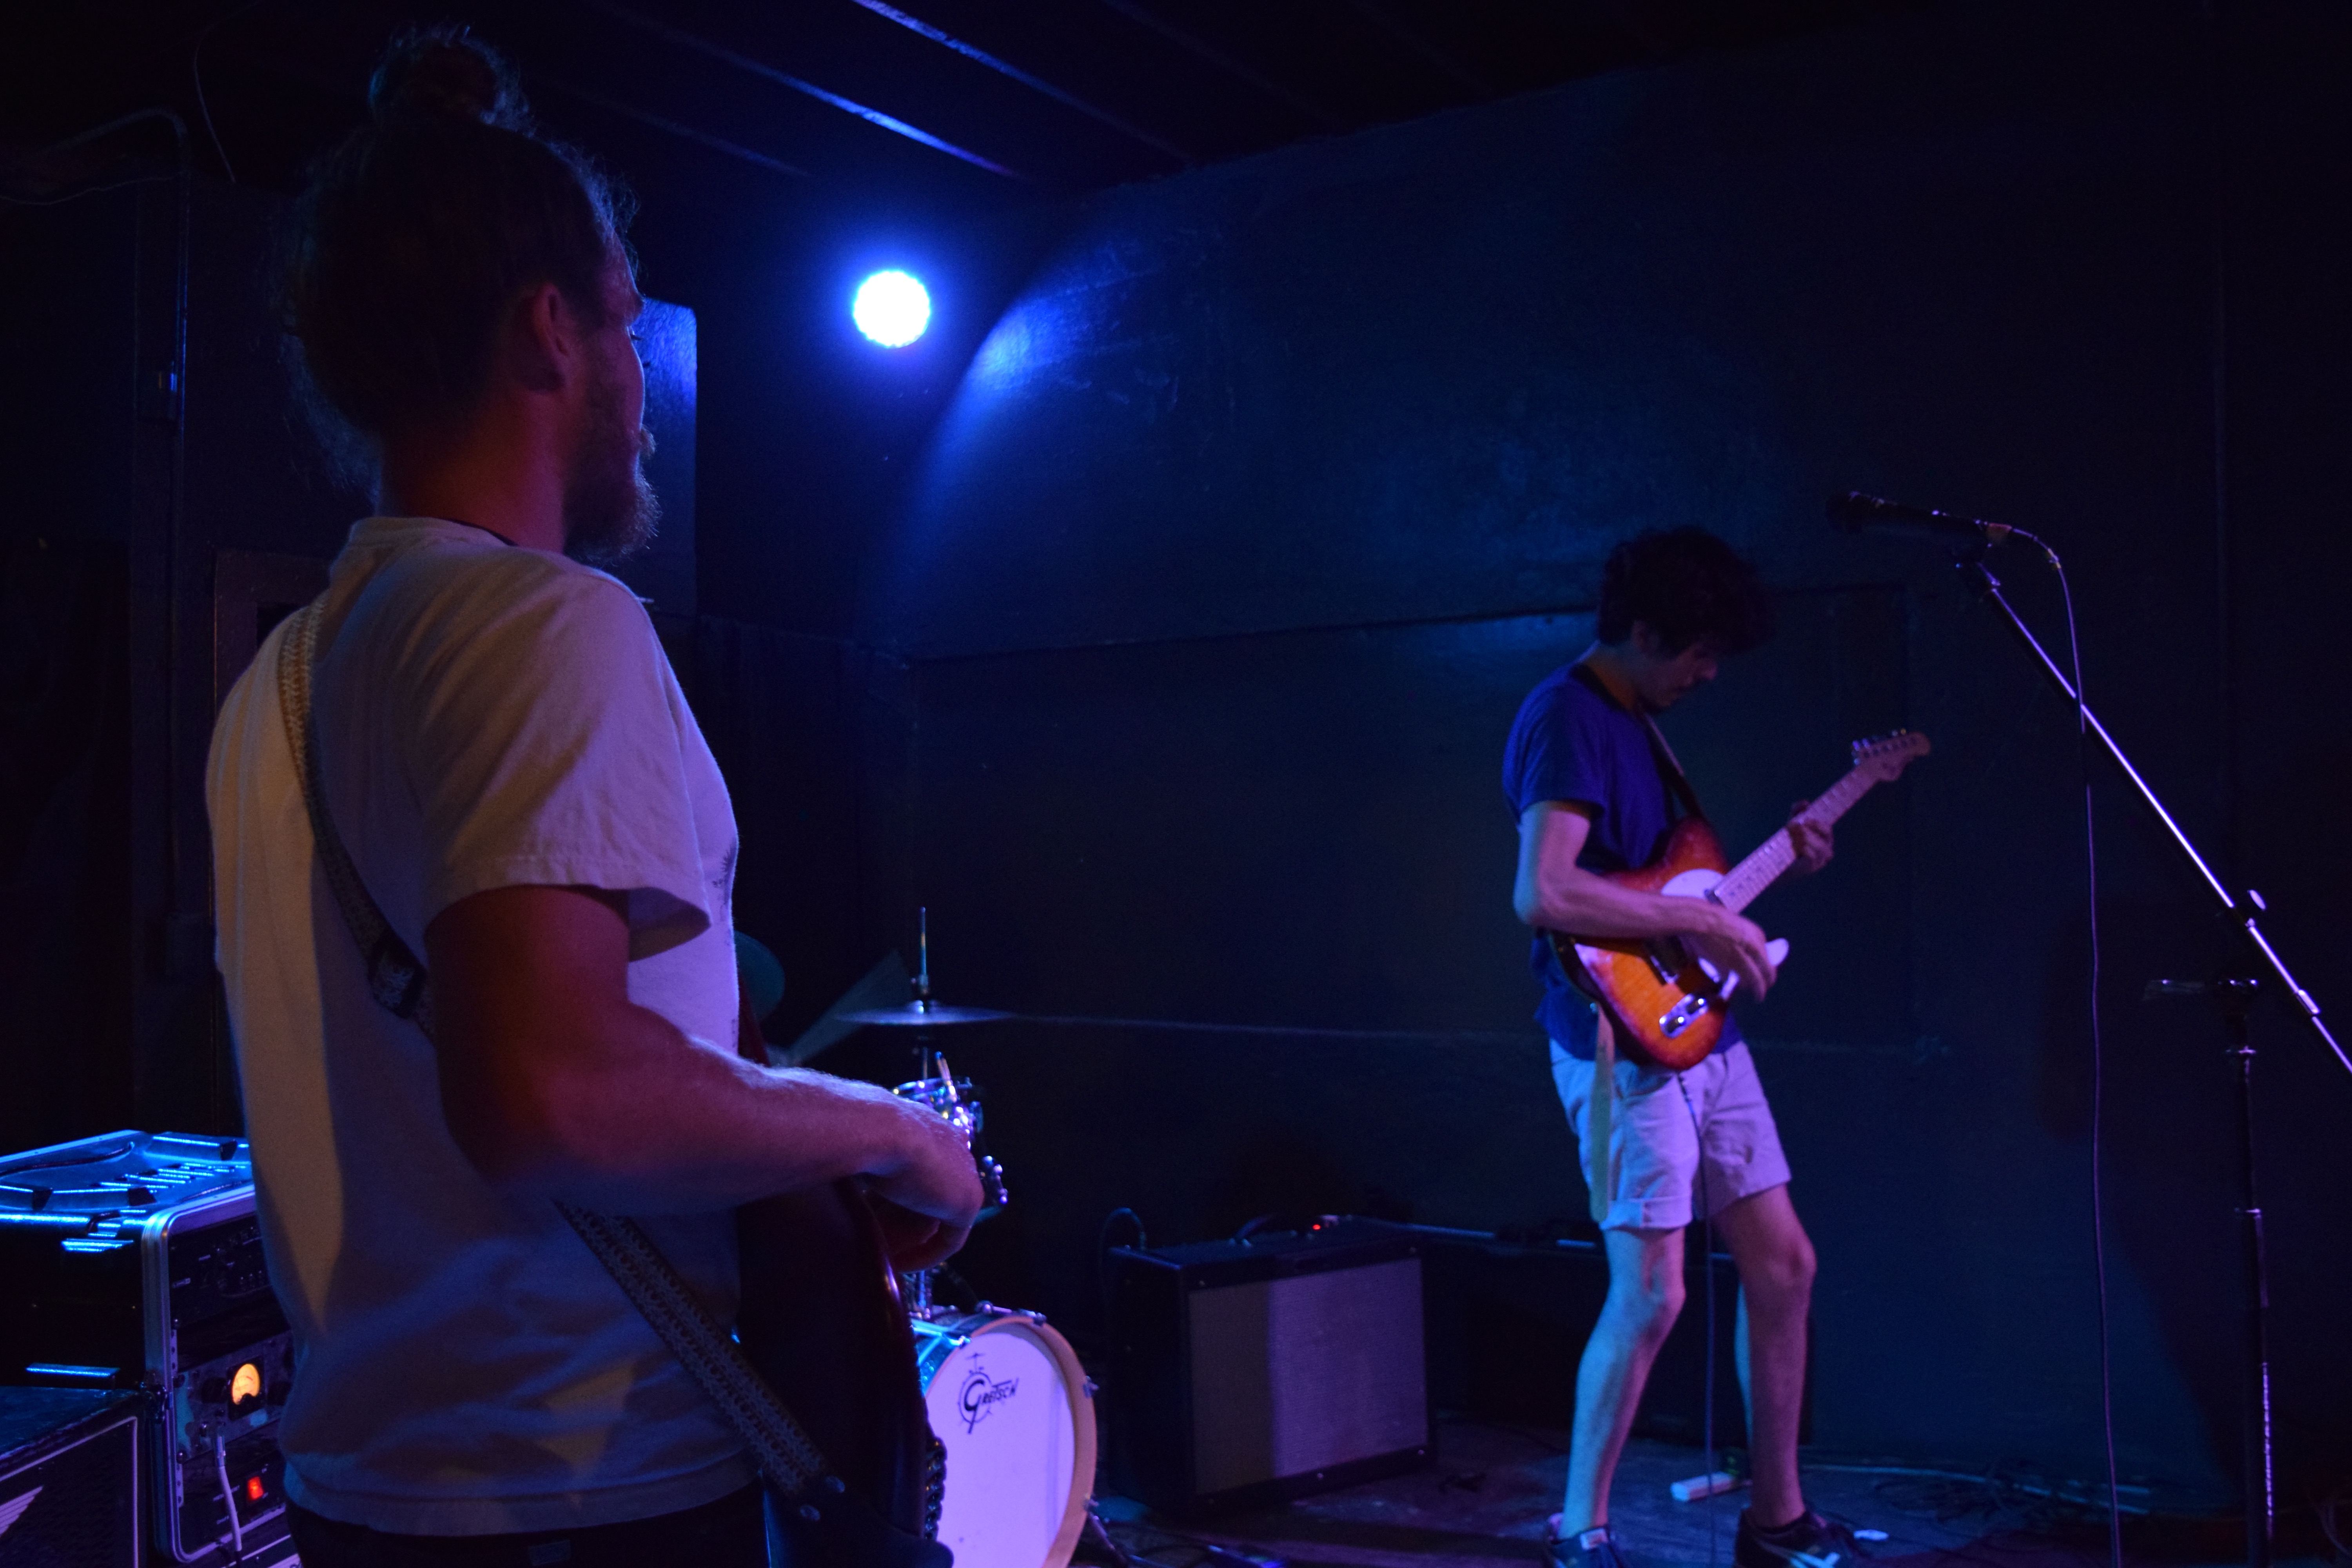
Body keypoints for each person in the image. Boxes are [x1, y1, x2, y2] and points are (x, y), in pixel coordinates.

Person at [206, 29, 981, 1567]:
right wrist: (889, 1133)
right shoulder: (542, 622)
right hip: (584, 1505)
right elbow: (549, 1092)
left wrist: (786, 1164)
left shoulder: (274, 687)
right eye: (626, 321)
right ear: (550, 333)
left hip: (367, 1500)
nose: (642, 386)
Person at [1503, 528, 1857, 1568]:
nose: (1708, 675)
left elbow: (1668, 885)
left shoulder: (1639, 726)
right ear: (1647, 631)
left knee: (1784, 1266)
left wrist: (1766, 874)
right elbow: (1544, 891)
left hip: (1704, 1029)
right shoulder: (1567, 716)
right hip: (1620, 1045)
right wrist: (1703, 922)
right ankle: (1581, 1532)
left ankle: (1776, 1519)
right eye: (1699, 653)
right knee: (1653, 1292)